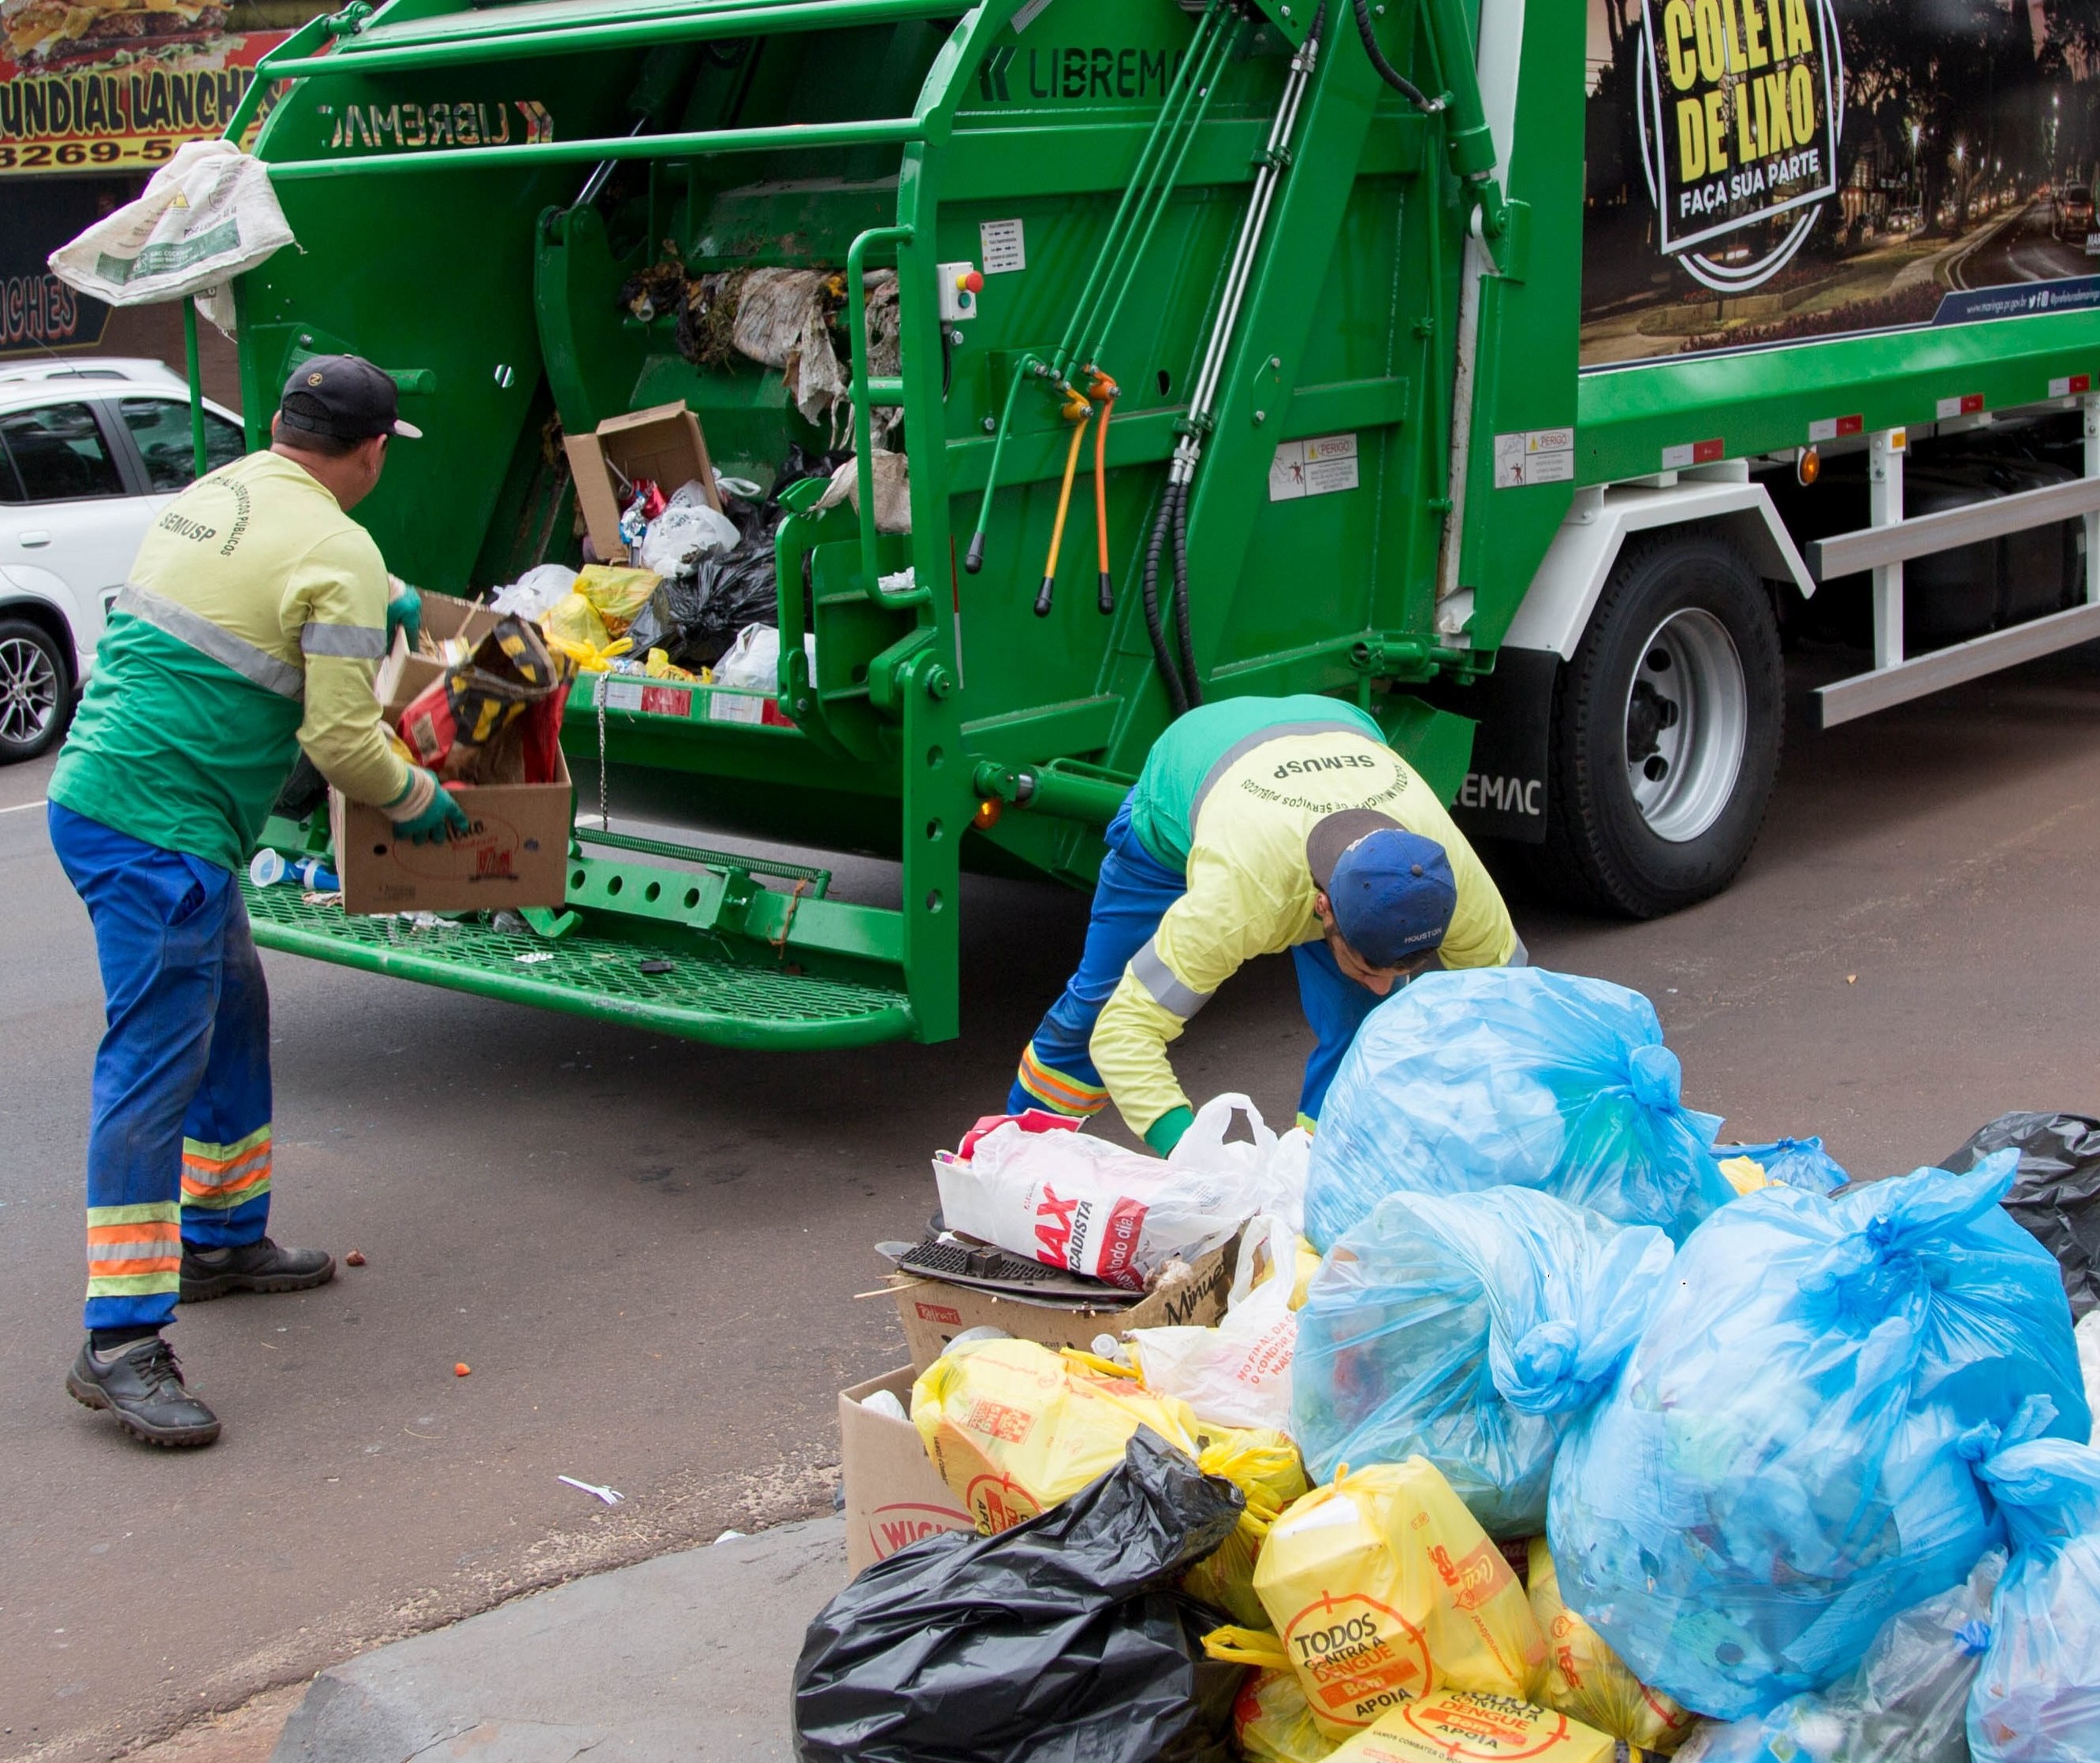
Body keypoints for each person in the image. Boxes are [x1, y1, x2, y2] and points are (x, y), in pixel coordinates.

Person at [48, 355, 469, 1449]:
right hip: (160, 833)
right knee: (150, 1068)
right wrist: (420, 800)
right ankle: (122, 1340)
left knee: (234, 1009)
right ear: (371, 450)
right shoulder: (340, 541)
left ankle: (223, 1238)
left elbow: (260, 591)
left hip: (109, 796)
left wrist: (382, 606)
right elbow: (341, 742)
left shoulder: (218, 492)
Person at [1011, 694, 1522, 1152]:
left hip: (1336, 732)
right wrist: (1195, 1158)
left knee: (1366, 1021)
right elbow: (1123, 1031)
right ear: (1323, 906)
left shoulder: (1444, 872)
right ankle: (1005, 1164)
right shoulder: (1242, 893)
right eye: (1370, 963)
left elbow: (1517, 1008)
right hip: (1191, 775)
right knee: (1098, 1005)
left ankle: (1324, 1177)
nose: (1386, 983)